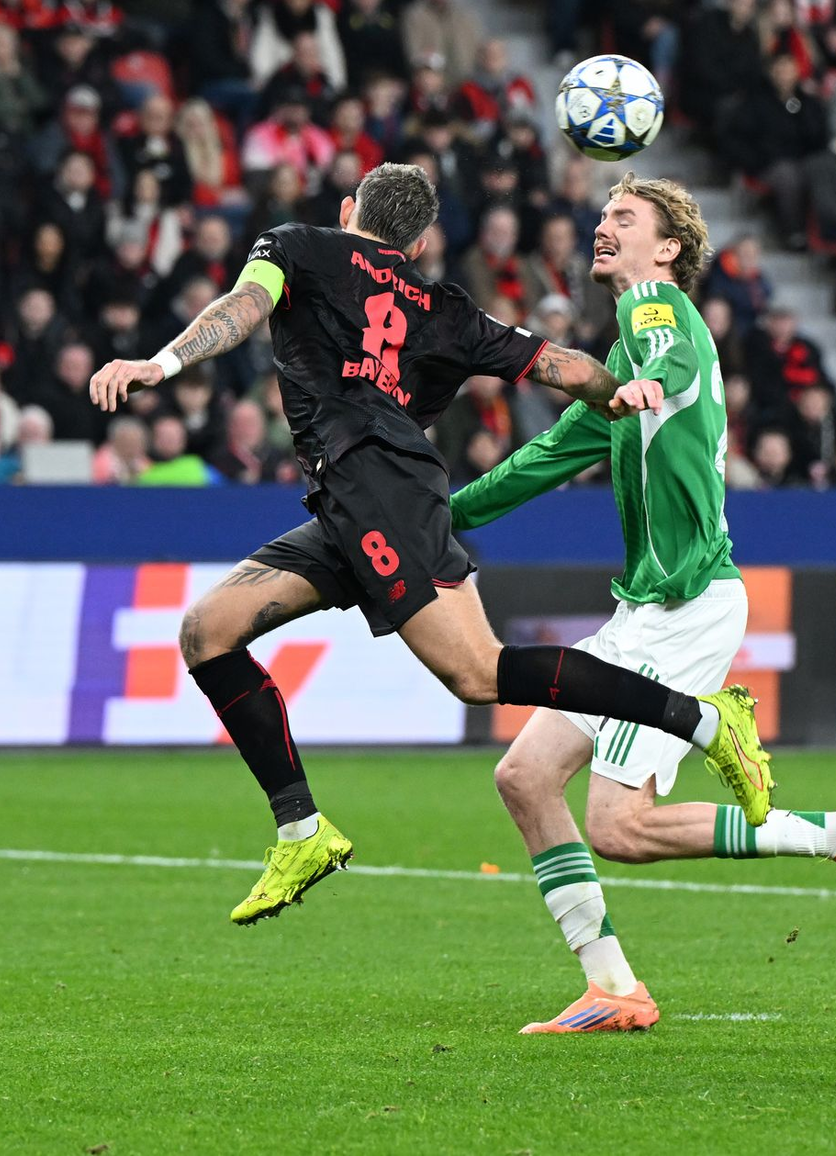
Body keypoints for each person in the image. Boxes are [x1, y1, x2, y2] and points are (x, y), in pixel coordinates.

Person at [87, 162, 772, 929]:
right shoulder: (440, 307)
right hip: (358, 499)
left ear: (349, 210)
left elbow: (244, 308)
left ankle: (704, 721)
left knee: (479, 673)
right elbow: (556, 364)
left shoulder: (296, 246)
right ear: (416, 243)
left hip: (381, 489)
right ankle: (302, 831)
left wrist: (161, 362)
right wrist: (616, 394)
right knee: (207, 630)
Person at [451, 172, 836, 1034]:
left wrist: (654, 380)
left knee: (618, 823)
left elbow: (677, 357)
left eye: (625, 217)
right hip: (643, 614)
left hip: (688, 605)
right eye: (602, 214)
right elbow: (545, 457)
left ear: (668, 248)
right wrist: (442, 513)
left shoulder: (658, 310)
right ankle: (613, 985)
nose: (602, 227)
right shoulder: (621, 364)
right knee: (524, 774)